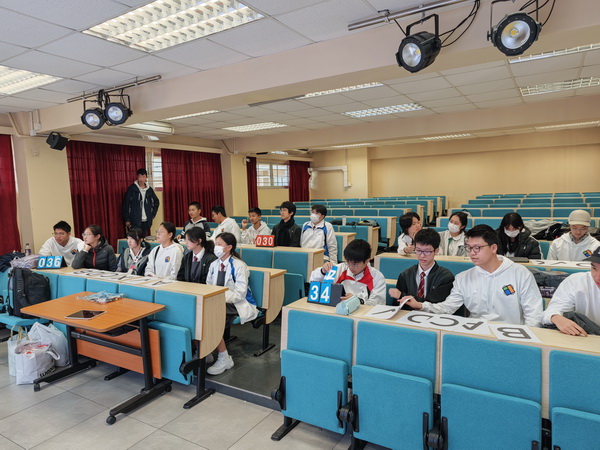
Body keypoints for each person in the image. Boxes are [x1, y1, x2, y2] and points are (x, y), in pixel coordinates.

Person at [403, 225, 543, 327]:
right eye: (469, 248)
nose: (471, 253)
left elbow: (533, 315)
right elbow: (448, 308)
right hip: (476, 332)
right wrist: (421, 306)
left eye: (477, 248)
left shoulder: (520, 274)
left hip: (512, 334)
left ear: (493, 248)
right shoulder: (463, 278)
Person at [206, 232, 259, 375]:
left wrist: (218, 297)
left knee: (212, 318)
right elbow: (209, 286)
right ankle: (206, 350)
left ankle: (224, 358)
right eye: (215, 244)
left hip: (238, 303)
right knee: (200, 313)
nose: (216, 247)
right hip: (218, 301)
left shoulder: (239, 265)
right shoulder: (214, 264)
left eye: (219, 244)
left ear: (229, 247)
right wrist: (215, 297)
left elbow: (240, 294)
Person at [541, 247, 600, 337]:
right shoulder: (576, 281)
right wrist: (555, 317)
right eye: (594, 268)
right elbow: (551, 311)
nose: (597, 277)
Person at [389, 228, 455, 308]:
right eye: (418, 250)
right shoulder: (405, 275)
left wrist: (402, 296)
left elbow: (434, 303)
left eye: (427, 251)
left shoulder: (446, 278)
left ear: (436, 251)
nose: (422, 255)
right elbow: (397, 305)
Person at [309, 239, 385, 305]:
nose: (351, 266)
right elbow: (312, 281)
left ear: (367, 261)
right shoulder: (340, 269)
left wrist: (357, 301)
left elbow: (377, 304)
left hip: (362, 313)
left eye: (355, 263)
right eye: (348, 261)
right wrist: (322, 271)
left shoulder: (377, 277)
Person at [123, 168, 160, 236]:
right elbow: (126, 204)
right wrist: (127, 219)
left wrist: (152, 215)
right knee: (136, 238)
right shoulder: (132, 189)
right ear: (137, 177)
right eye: (140, 176)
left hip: (146, 220)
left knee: (144, 238)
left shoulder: (149, 190)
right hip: (135, 220)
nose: (141, 179)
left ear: (146, 177)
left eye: (143, 176)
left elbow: (156, 202)